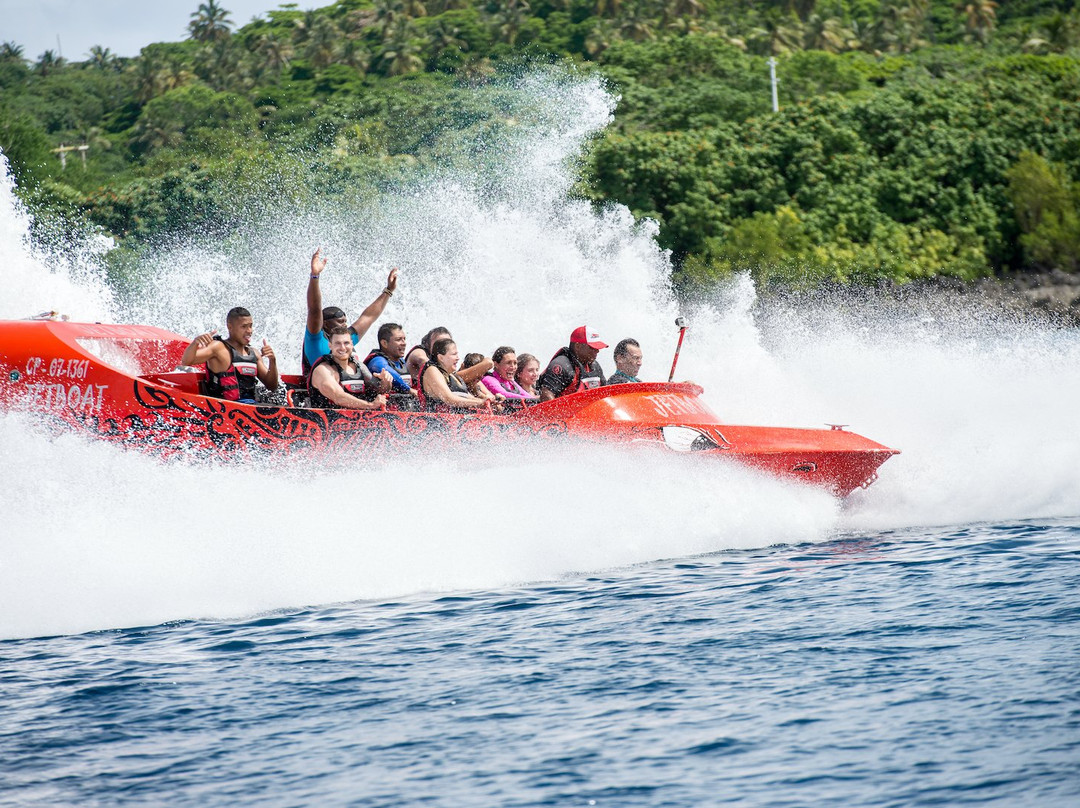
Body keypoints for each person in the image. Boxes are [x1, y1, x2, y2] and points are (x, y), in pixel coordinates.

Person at [303, 247, 398, 377]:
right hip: (322, 391)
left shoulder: (347, 339)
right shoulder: (316, 338)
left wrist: (388, 290)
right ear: (325, 324)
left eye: (345, 322)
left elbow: (368, 316)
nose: (344, 325)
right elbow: (314, 309)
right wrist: (315, 276)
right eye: (340, 322)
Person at [182, 307, 278, 403]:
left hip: (251, 408)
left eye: (250, 326)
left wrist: (272, 360)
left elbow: (272, 386)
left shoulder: (254, 353)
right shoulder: (218, 347)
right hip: (224, 409)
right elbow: (187, 361)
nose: (249, 331)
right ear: (230, 327)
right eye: (244, 327)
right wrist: (195, 343)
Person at [307, 326, 390, 410]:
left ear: (351, 344)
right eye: (337, 343)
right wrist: (370, 405)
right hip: (326, 420)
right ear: (330, 346)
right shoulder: (323, 370)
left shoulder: (359, 366)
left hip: (358, 420)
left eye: (346, 343)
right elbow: (338, 397)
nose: (342, 347)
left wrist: (385, 381)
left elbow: (381, 390)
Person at [419, 338, 491, 412]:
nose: (458, 358)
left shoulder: (451, 375)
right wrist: (480, 402)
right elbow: (449, 398)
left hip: (456, 421)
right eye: (454, 354)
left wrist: (488, 401)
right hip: (433, 421)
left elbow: (469, 397)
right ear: (441, 357)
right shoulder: (432, 370)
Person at [537, 326, 607, 401]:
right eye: (592, 348)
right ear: (578, 346)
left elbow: (605, 392)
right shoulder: (562, 366)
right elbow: (546, 395)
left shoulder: (595, 366)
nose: (597, 351)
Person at [406, 326, 493, 386]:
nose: (444, 345)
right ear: (428, 345)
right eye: (439, 342)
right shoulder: (419, 352)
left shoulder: (445, 365)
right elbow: (422, 360)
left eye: (447, 342)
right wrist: (485, 365)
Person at [364, 322, 414, 394]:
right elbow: (383, 368)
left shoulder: (402, 362)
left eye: (404, 339)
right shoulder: (377, 360)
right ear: (384, 343)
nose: (404, 343)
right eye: (398, 339)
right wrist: (409, 390)